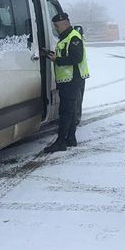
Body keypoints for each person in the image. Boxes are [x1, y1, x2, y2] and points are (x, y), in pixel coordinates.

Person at [44, 12, 90, 153]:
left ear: (65, 23)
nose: (56, 28)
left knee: (65, 111)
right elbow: (66, 55)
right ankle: (70, 138)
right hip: (68, 80)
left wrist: (56, 60)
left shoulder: (74, 37)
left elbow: (76, 57)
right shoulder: (65, 38)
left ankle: (60, 142)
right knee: (70, 110)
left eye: (57, 26)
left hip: (72, 80)